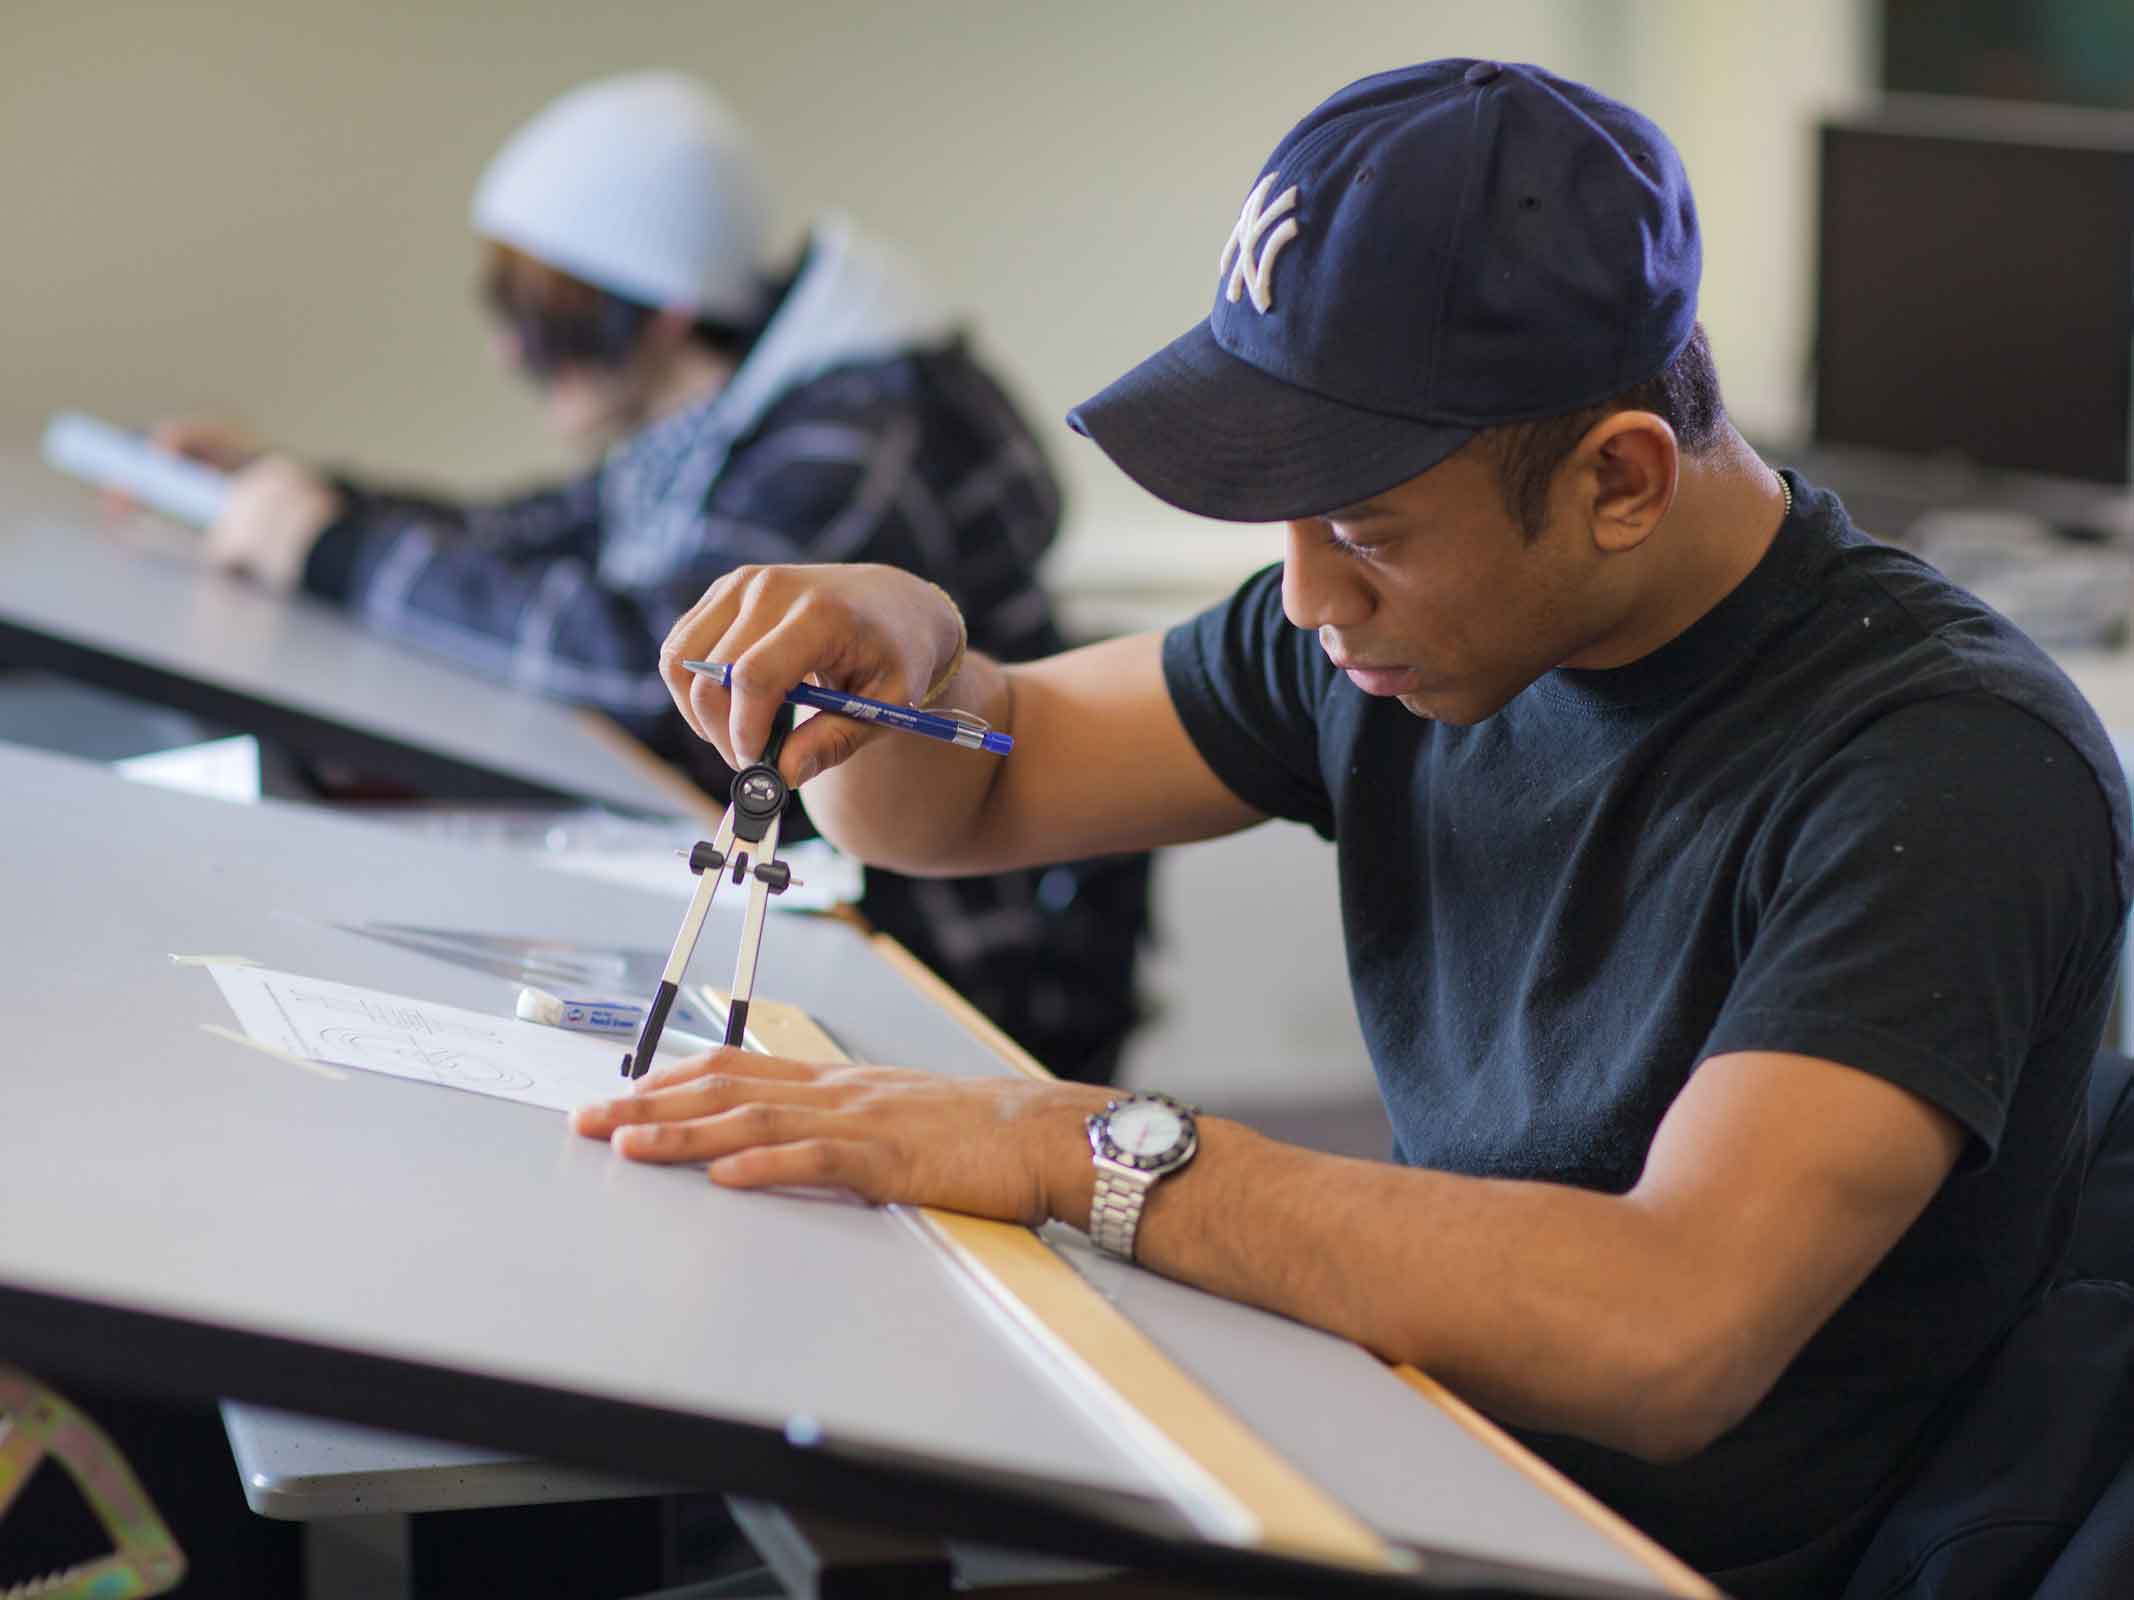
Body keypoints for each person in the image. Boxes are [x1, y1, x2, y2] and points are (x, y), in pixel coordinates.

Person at [570, 60, 2133, 1595]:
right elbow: (968, 786)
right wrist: (894, 642)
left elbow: (1668, 1331)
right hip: (1402, 1444)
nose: (1306, 597)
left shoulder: (1946, 769)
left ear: (1619, 480)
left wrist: (1069, 1150)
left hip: (1636, 1555)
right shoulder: (1394, 630)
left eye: (1363, 529)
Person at [154, 71, 1150, 1086]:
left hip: (934, 948)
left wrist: (334, 552)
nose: (508, 350)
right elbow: (542, 532)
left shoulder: (855, 437)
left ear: (665, 319)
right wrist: (306, 496)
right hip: (812, 888)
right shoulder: (728, 400)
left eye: (546, 325)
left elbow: (667, 665)